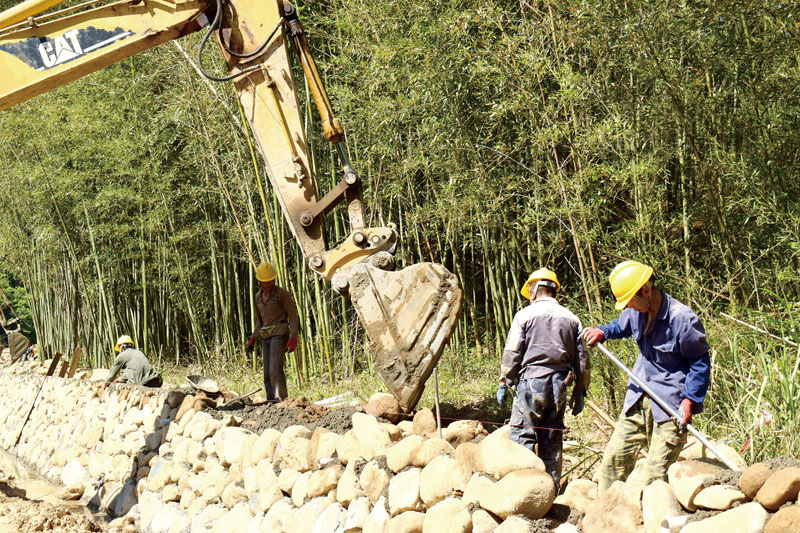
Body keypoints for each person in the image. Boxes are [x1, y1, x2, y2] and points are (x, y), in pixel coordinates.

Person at [583, 260, 711, 494]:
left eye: (630, 300)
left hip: (670, 404)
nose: (628, 307)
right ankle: (602, 517)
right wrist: (603, 331)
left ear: (645, 290)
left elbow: (700, 363)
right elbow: (619, 326)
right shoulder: (635, 312)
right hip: (638, 396)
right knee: (613, 462)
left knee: (656, 477)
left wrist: (690, 400)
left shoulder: (682, 319)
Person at [498, 268, 589, 493]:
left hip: (531, 383)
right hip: (559, 386)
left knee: (522, 434)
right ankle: (551, 492)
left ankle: (525, 491)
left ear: (534, 289)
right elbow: (583, 360)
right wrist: (580, 390)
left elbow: (512, 353)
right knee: (551, 438)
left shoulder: (525, 315)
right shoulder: (572, 318)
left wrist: (505, 380)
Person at [245, 262, 299, 402]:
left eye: (271, 281)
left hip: (280, 333)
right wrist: (253, 339)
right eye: (265, 282)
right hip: (266, 335)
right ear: (260, 281)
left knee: (275, 370)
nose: (269, 284)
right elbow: (260, 321)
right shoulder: (257, 297)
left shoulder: (282, 294)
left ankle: (281, 400)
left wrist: (293, 337)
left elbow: (293, 315)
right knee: (267, 373)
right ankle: (271, 401)